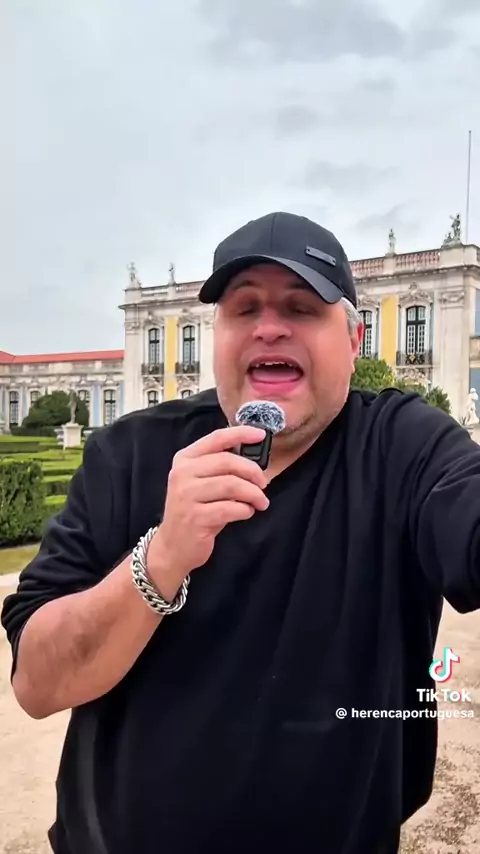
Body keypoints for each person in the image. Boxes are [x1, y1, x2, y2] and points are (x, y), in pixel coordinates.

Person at [2, 211, 480, 854]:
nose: (269, 326)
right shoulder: (127, 454)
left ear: (355, 340)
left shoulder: (402, 446)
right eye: (243, 307)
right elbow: (37, 685)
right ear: (218, 333)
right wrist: (162, 557)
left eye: (302, 307)